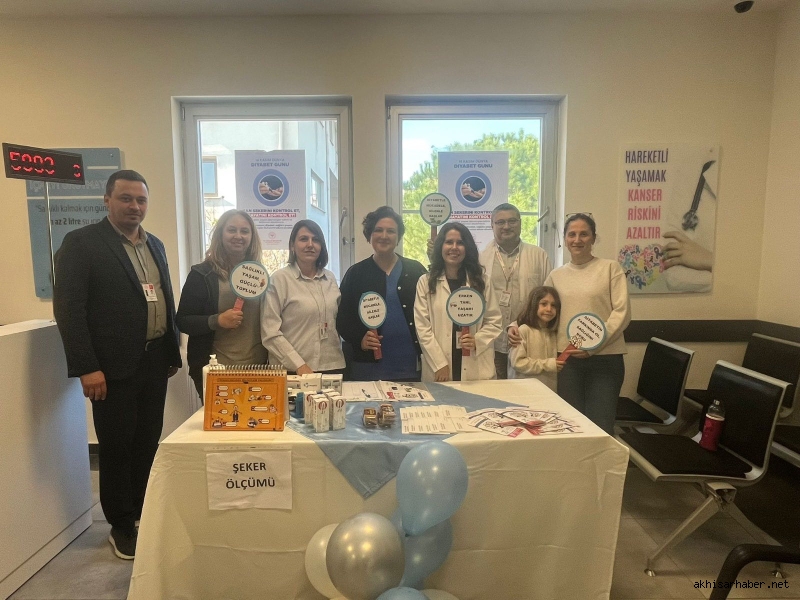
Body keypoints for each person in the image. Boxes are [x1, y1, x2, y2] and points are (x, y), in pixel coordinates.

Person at [52, 170, 181, 560]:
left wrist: (171, 351)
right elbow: (70, 310)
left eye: (141, 200)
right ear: (107, 200)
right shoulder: (82, 243)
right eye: (126, 198)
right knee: (117, 446)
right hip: (110, 369)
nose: (134, 206)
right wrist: (87, 366)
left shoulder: (154, 244)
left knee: (147, 441)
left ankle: (142, 512)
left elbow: (163, 298)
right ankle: (121, 526)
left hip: (154, 361)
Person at [543, 213, 631, 434]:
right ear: (565, 238)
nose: (577, 240)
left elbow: (622, 312)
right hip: (567, 360)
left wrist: (594, 344)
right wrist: (517, 328)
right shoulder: (556, 276)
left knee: (600, 425)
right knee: (570, 425)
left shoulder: (610, 268)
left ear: (593, 238)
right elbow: (542, 311)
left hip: (605, 360)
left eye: (584, 234)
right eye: (571, 234)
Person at [176, 210, 267, 400]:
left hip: (258, 368)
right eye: (231, 230)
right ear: (220, 233)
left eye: (244, 231)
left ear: (252, 236)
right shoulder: (202, 275)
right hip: (215, 370)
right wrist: (216, 321)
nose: (238, 236)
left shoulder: (259, 276)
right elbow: (183, 321)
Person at [337, 206, 427, 381]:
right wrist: (359, 339)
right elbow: (342, 318)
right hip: (367, 369)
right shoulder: (356, 274)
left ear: (398, 237)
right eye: (378, 230)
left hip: (411, 367)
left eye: (391, 231)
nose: (384, 236)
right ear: (369, 235)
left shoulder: (416, 271)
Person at [415, 223, 502, 382]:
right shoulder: (426, 282)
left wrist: (478, 340)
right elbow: (422, 327)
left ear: (467, 247)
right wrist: (439, 363)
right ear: (440, 246)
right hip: (439, 366)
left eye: (460, 243)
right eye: (449, 242)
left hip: (475, 364)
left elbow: (494, 321)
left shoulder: (482, 281)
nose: (454, 247)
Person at [261, 219, 345, 374]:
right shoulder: (279, 279)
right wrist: (299, 365)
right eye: (304, 239)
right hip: (292, 370)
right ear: (292, 246)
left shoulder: (330, 278)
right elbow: (270, 332)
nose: (310, 244)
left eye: (316, 240)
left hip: (332, 365)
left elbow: (338, 322)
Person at [479, 203, 552, 379]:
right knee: (494, 389)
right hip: (493, 341)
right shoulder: (480, 258)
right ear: (492, 225)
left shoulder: (538, 255)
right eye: (500, 222)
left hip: (526, 338)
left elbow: (548, 297)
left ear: (520, 223)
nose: (506, 226)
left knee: (526, 390)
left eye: (512, 221)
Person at [508, 286, 563, 392]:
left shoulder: (553, 333)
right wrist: (548, 364)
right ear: (534, 305)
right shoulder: (523, 330)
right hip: (524, 391)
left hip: (548, 390)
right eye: (544, 304)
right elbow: (518, 363)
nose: (549, 309)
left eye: (553, 305)